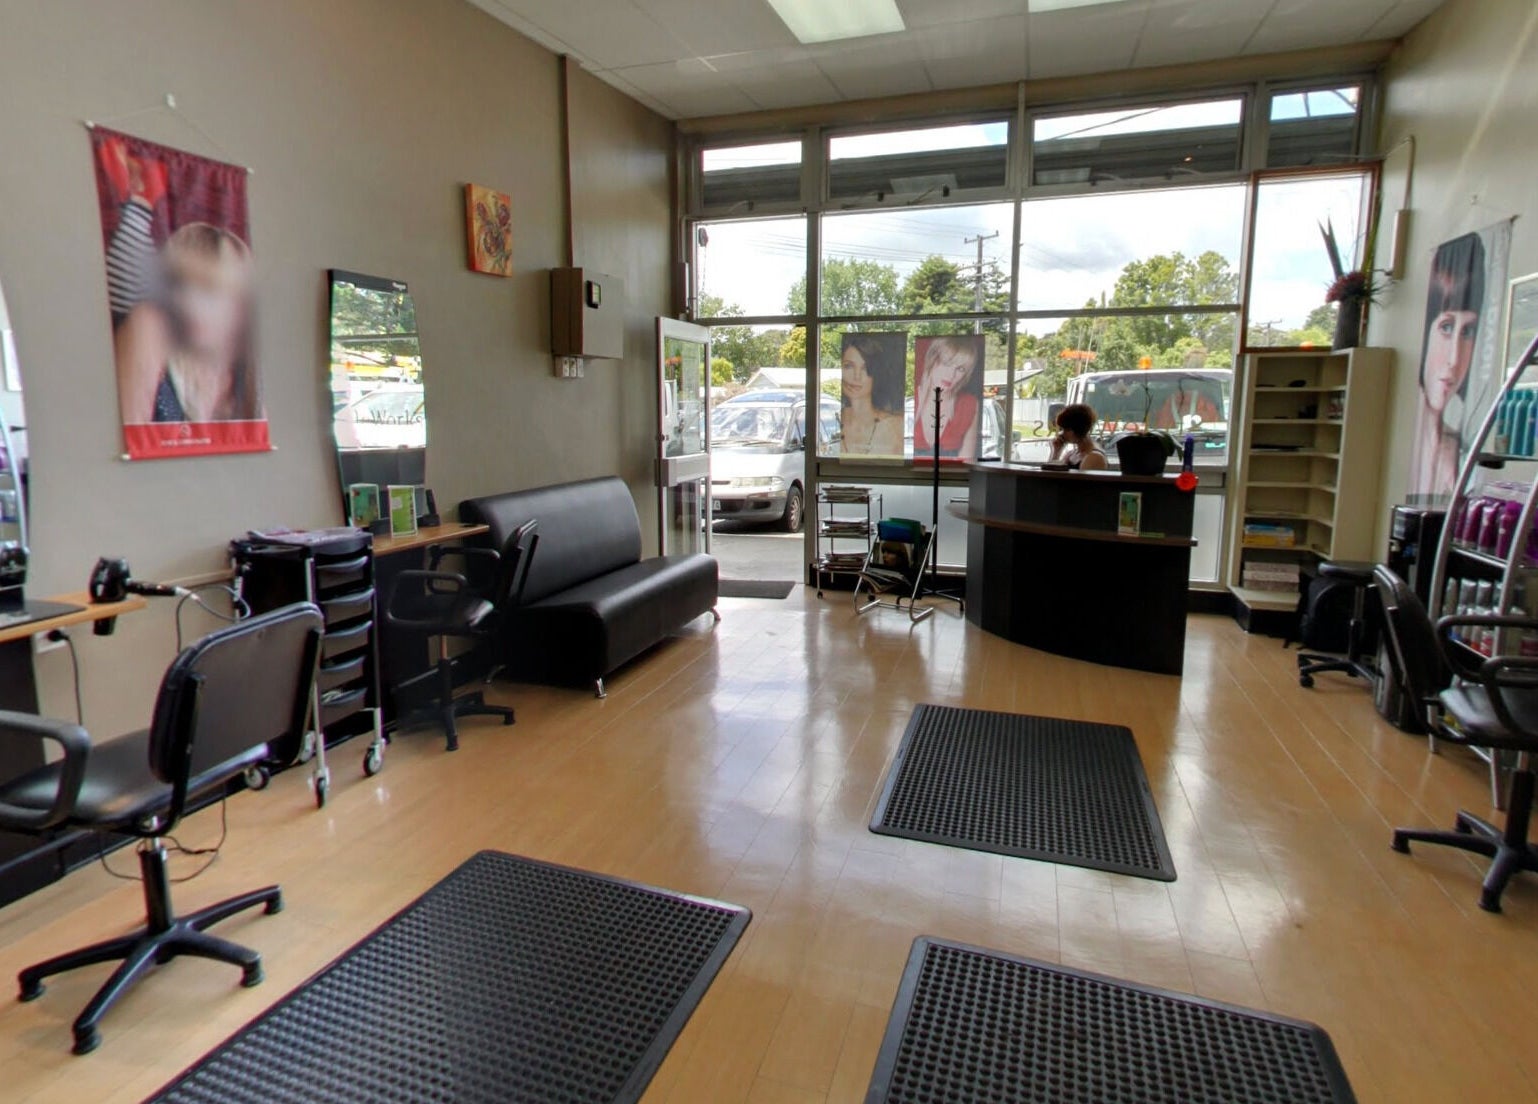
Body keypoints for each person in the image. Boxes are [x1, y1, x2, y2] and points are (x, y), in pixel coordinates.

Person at [114, 221, 258, 425]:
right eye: (178, 286)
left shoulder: (247, 362)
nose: (189, 303)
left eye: (209, 289)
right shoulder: (148, 325)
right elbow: (130, 439)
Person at [1410, 232, 1485, 495]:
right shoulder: (1415, 446)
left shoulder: (1461, 453)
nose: (1455, 359)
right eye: (1446, 327)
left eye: (1467, 332)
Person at [913, 336, 981, 460]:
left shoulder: (969, 405)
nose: (951, 375)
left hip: (951, 477)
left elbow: (966, 462)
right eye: (947, 364)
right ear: (932, 360)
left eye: (960, 369)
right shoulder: (912, 400)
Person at [839, 336, 903, 455]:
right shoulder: (833, 422)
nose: (856, 376)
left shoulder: (894, 426)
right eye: (849, 366)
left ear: (876, 375)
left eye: (865, 368)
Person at [1047, 403, 1108, 471]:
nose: (1062, 434)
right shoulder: (1072, 454)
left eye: (1066, 430)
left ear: (1077, 429)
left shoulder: (1094, 457)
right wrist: (1056, 451)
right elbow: (1050, 474)